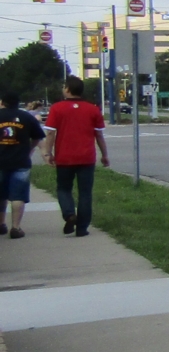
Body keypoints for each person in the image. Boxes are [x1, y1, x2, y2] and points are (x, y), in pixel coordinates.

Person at [43, 76, 109, 237]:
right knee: (85, 193)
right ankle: (82, 228)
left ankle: (69, 214)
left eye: (64, 86)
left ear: (67, 89)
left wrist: (47, 152)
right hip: (86, 157)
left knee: (64, 188)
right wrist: (104, 155)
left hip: (65, 157)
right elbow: (99, 135)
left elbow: (51, 132)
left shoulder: (57, 108)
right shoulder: (93, 109)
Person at [0, 90, 45, 239]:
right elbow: (38, 137)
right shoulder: (26, 117)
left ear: (2, 102)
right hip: (21, 161)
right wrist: (30, 149)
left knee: (1, 195)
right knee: (18, 196)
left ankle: (1, 224)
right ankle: (16, 227)